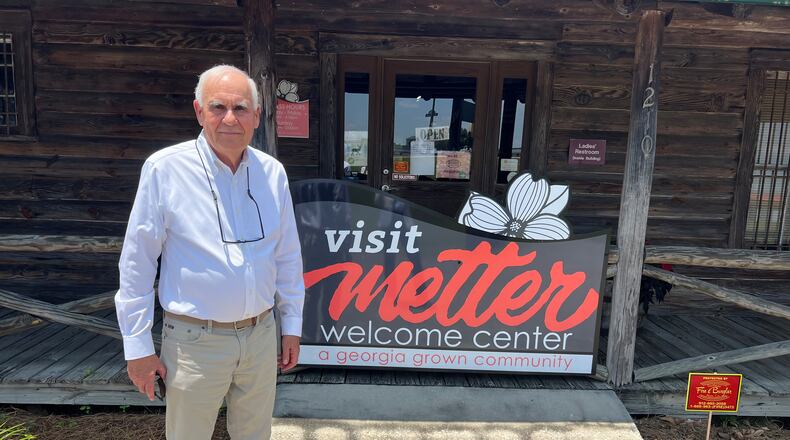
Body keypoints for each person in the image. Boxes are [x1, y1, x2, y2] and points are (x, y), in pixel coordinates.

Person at [115, 64, 305, 439]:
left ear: (257, 116)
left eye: (241, 108)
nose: (230, 118)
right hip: (194, 343)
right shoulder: (165, 169)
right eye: (218, 107)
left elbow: (287, 256)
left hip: (260, 336)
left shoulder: (273, 173)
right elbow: (137, 263)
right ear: (199, 112)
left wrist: (292, 326)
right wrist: (137, 347)